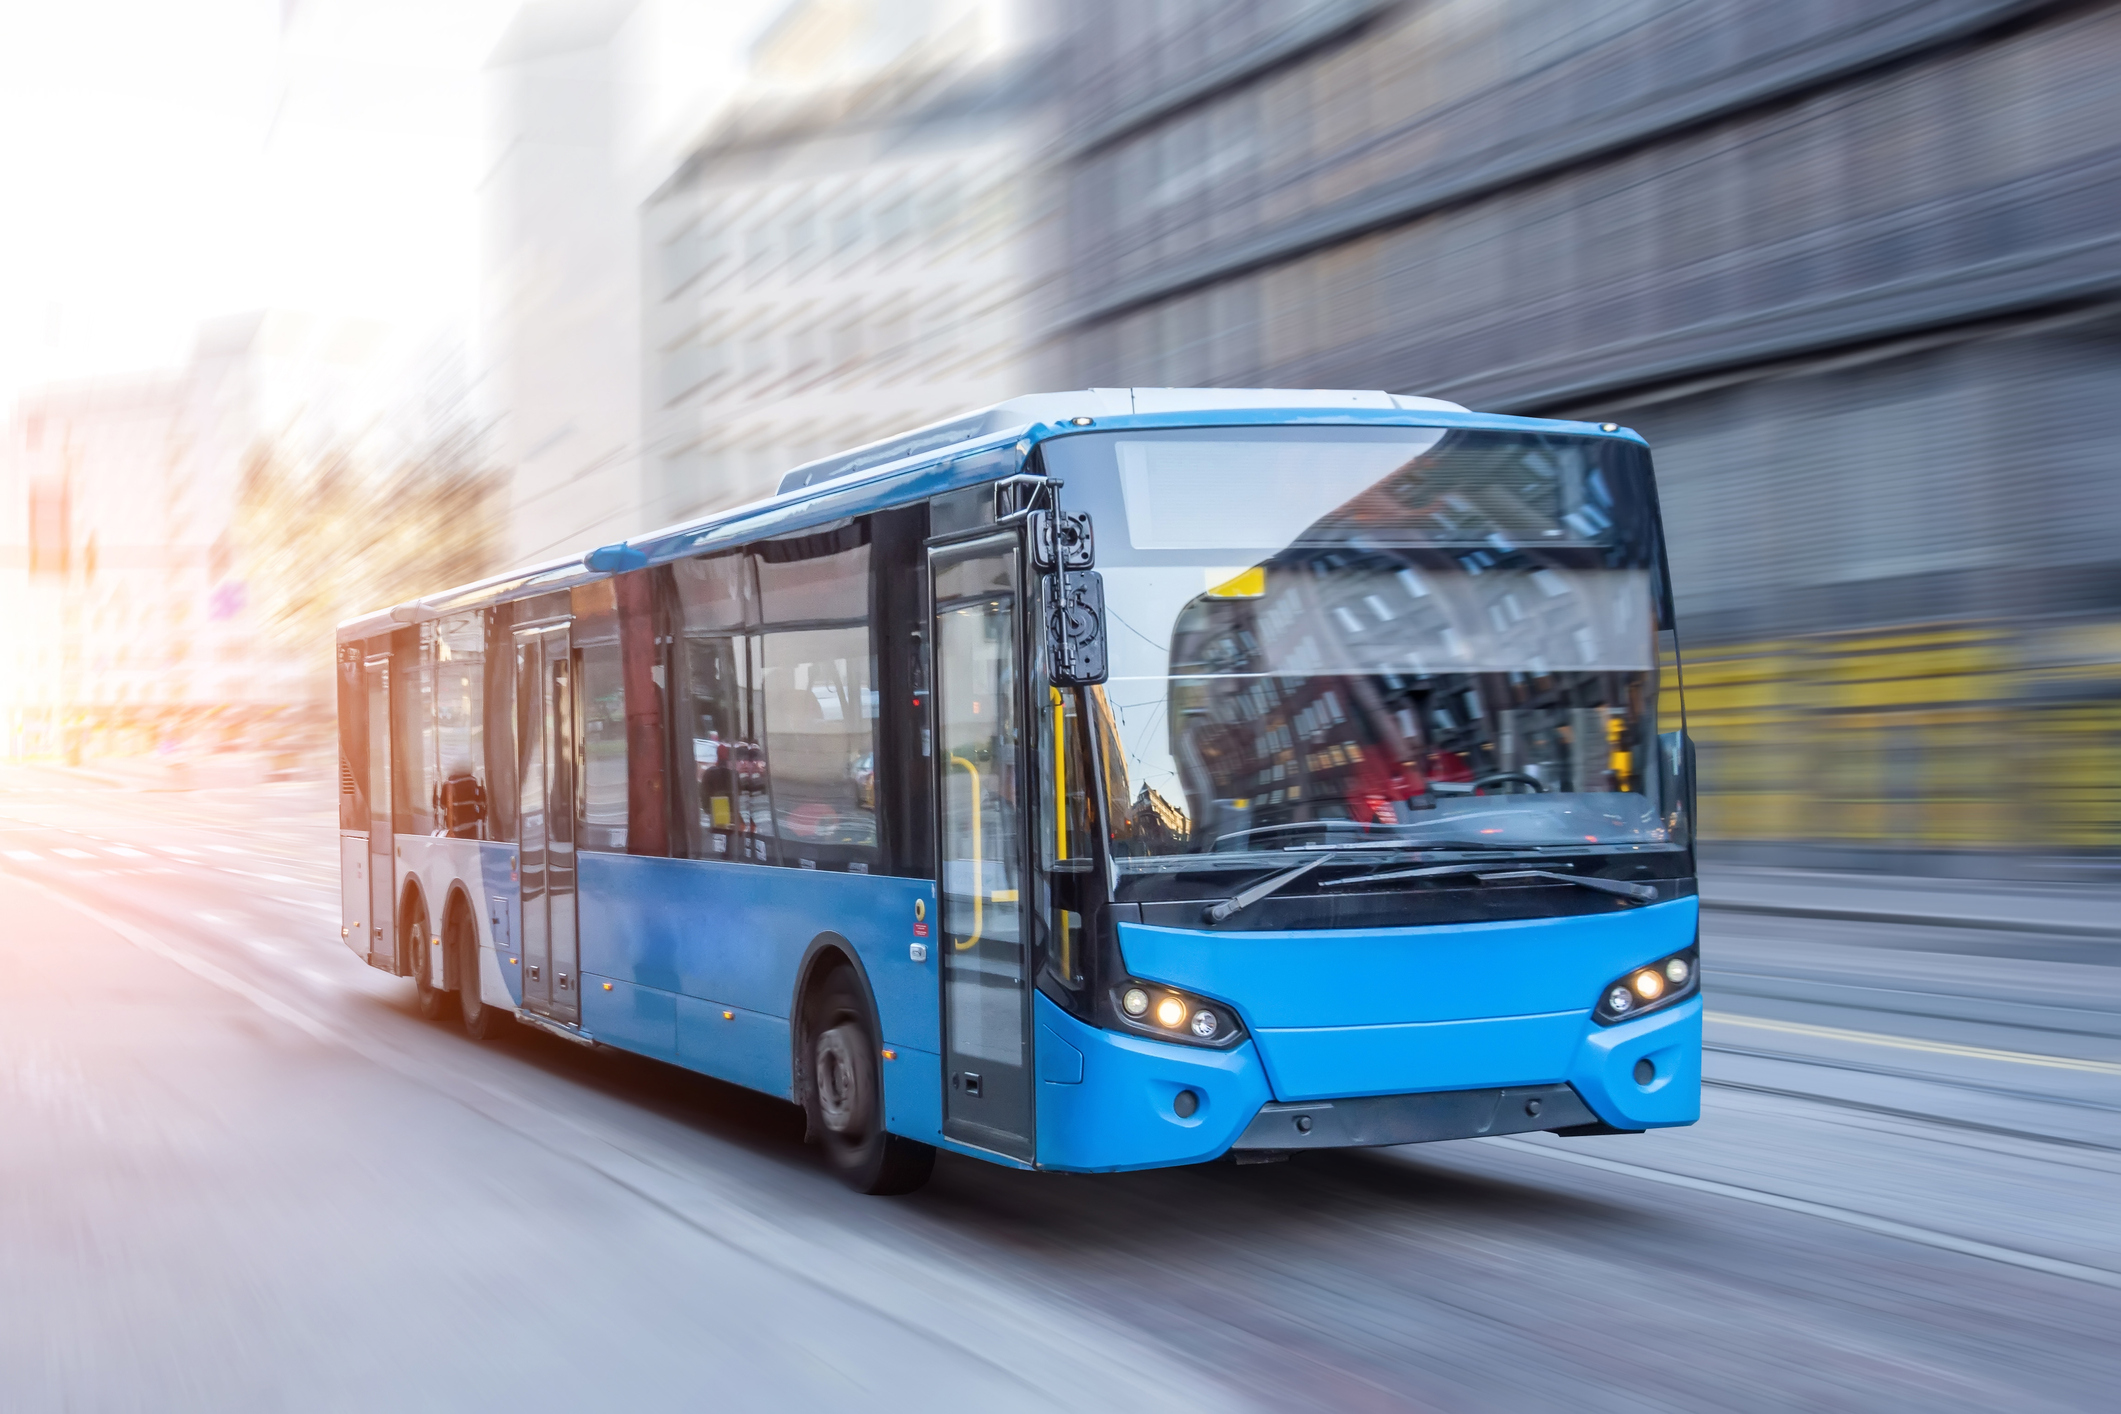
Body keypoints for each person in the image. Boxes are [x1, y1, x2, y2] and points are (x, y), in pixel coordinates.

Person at [436, 758, 487, 839]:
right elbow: (478, 800)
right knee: (471, 844)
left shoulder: (448, 784)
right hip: (471, 821)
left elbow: (443, 805)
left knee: (458, 845)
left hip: (456, 824)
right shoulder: (472, 780)